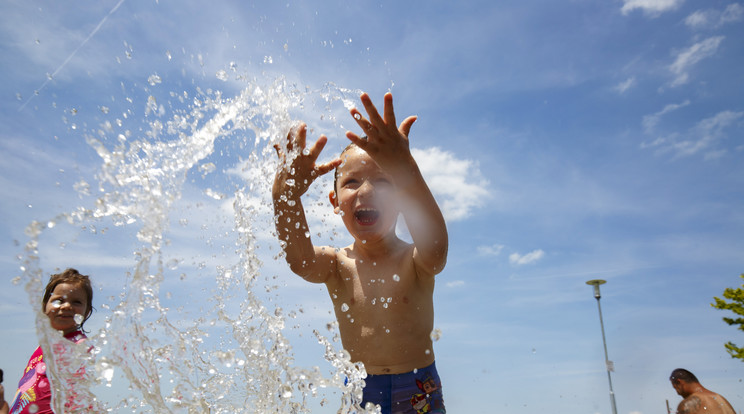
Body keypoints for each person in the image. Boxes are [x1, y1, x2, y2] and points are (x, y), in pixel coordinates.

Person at [273, 92, 448, 413]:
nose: (366, 191)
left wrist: (404, 168)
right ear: (335, 201)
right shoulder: (337, 263)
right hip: (361, 387)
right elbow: (299, 261)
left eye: (384, 182)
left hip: (418, 386)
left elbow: (436, 250)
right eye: (352, 182)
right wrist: (285, 195)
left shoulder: (413, 260)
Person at [9, 268, 94, 414]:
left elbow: (78, 392)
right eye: (59, 300)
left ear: (86, 313)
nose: (67, 306)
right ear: (44, 307)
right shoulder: (42, 347)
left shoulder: (77, 344)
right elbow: (24, 387)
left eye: (76, 302)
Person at [669, 368, 736, 414]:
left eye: (675, 388)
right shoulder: (721, 399)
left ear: (680, 382)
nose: (678, 394)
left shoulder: (689, 403)